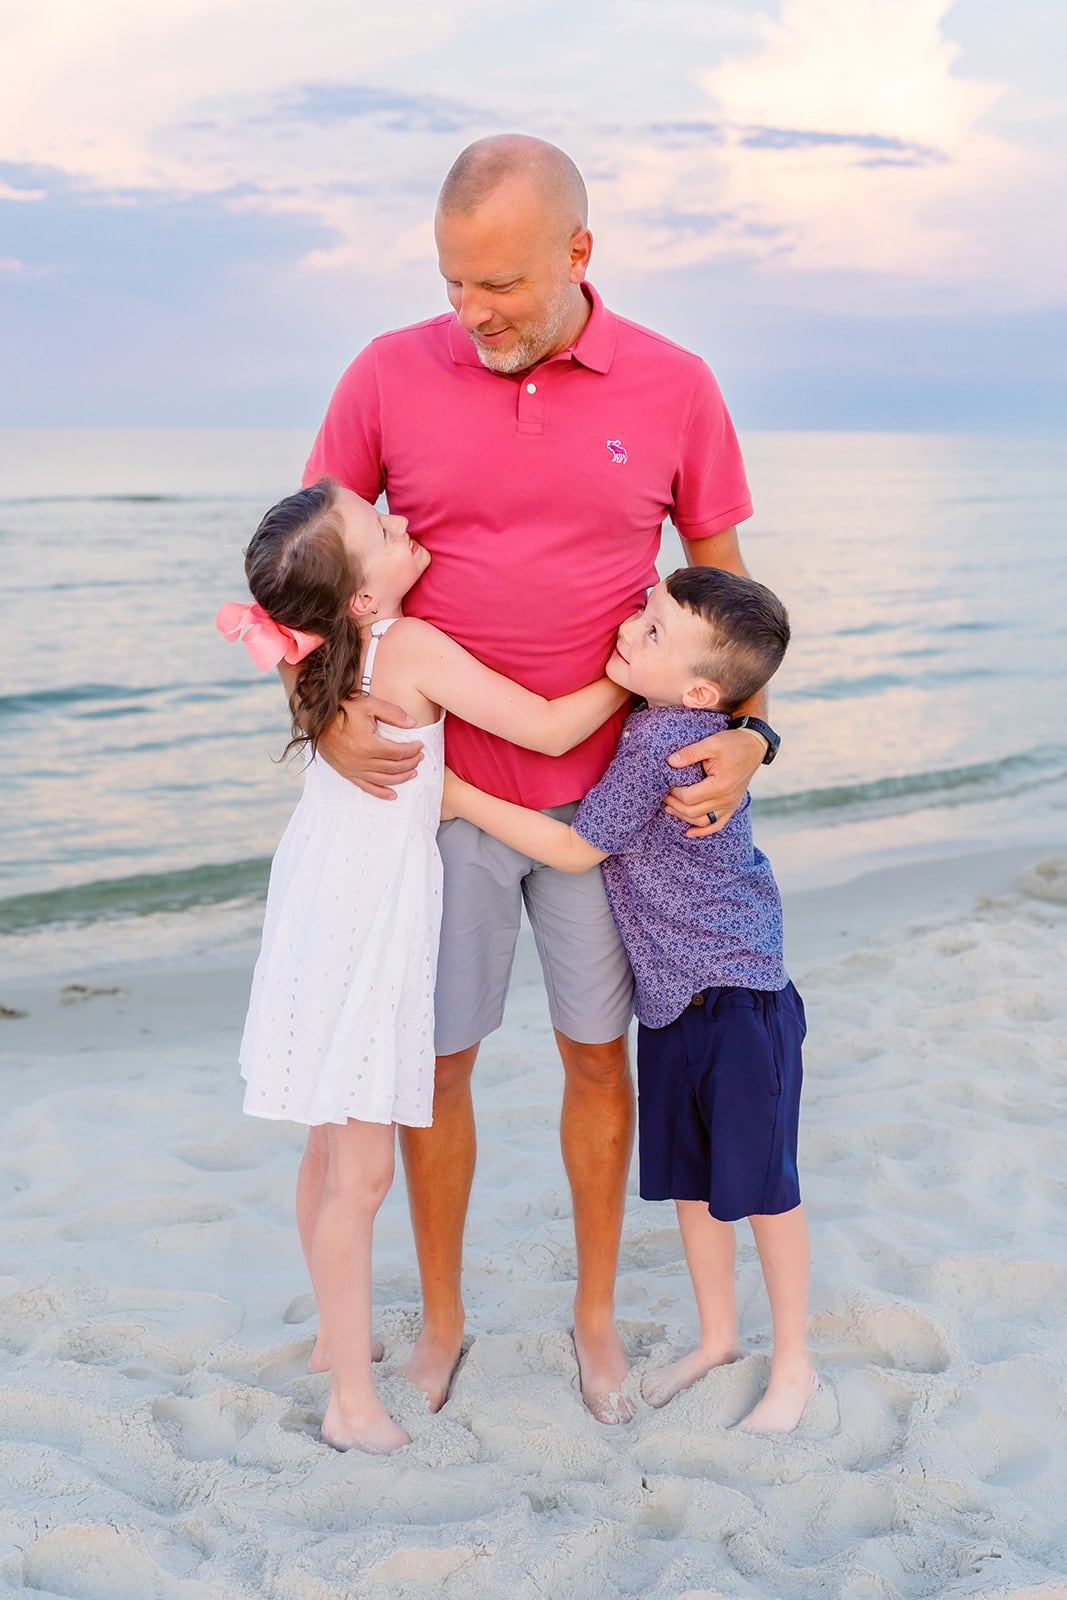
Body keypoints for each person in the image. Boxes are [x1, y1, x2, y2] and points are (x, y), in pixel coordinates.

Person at [301, 133, 780, 1422]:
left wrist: (750, 737)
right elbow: (304, 580)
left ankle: (593, 1316)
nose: (473, 313)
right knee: (435, 1067)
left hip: (603, 813)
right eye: (454, 282)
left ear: (577, 252)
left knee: (594, 1062)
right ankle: (444, 1319)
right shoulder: (386, 373)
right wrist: (329, 716)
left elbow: (731, 609)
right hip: (438, 804)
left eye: (500, 283)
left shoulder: (675, 385)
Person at [219, 479, 628, 1453]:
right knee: (357, 1173)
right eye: (382, 528)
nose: (403, 523)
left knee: (327, 1145)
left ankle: (331, 1335)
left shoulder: (323, 646)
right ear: (359, 597)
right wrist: (628, 670)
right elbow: (546, 728)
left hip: (317, 893)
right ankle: (352, 1401)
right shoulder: (404, 644)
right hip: (366, 916)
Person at [442, 568, 816, 1433]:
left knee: (765, 1185)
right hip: (674, 998)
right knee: (693, 1177)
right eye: (642, 614)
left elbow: (576, 850)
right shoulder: (665, 717)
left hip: (734, 991)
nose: (629, 629)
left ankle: (792, 1359)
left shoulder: (660, 742)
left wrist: (459, 795)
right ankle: (718, 1337)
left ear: (696, 688)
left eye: (650, 631)